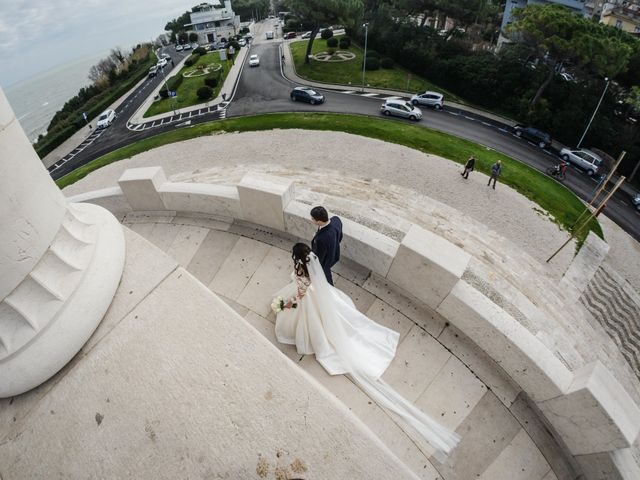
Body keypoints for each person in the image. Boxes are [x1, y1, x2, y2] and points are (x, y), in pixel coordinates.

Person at [273, 243, 460, 460]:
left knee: (312, 328)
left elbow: (299, 296)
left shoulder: (302, 275)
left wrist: (284, 305)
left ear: (297, 258)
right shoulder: (311, 262)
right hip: (319, 296)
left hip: (308, 301)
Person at [310, 206, 342, 286]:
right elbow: (340, 235)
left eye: (313, 218)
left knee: (326, 274)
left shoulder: (321, 239)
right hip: (335, 254)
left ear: (319, 221)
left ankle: (330, 288)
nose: (312, 220)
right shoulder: (336, 220)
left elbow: (319, 256)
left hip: (325, 261)